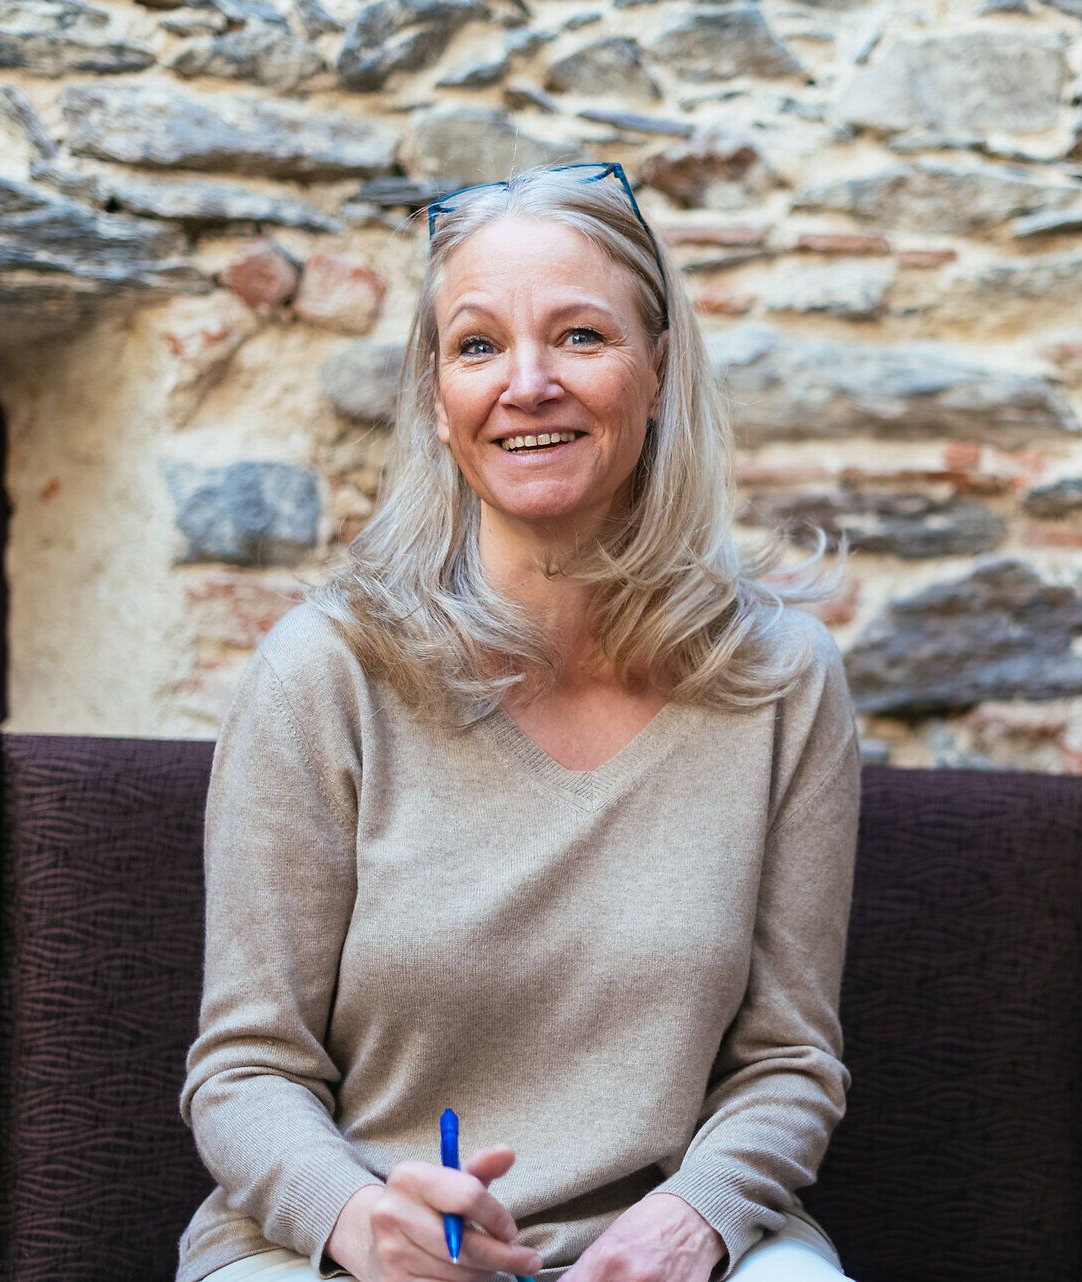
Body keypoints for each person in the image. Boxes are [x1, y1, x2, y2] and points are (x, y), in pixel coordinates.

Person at [175, 160, 864, 1282]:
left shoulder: (781, 680)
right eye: (479, 345)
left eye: (582, 337)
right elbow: (247, 1068)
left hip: (659, 1252)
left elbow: (788, 1060)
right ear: (439, 401)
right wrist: (362, 1222)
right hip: (351, 1248)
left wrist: (695, 1216)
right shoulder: (327, 670)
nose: (527, 383)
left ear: (661, 372)